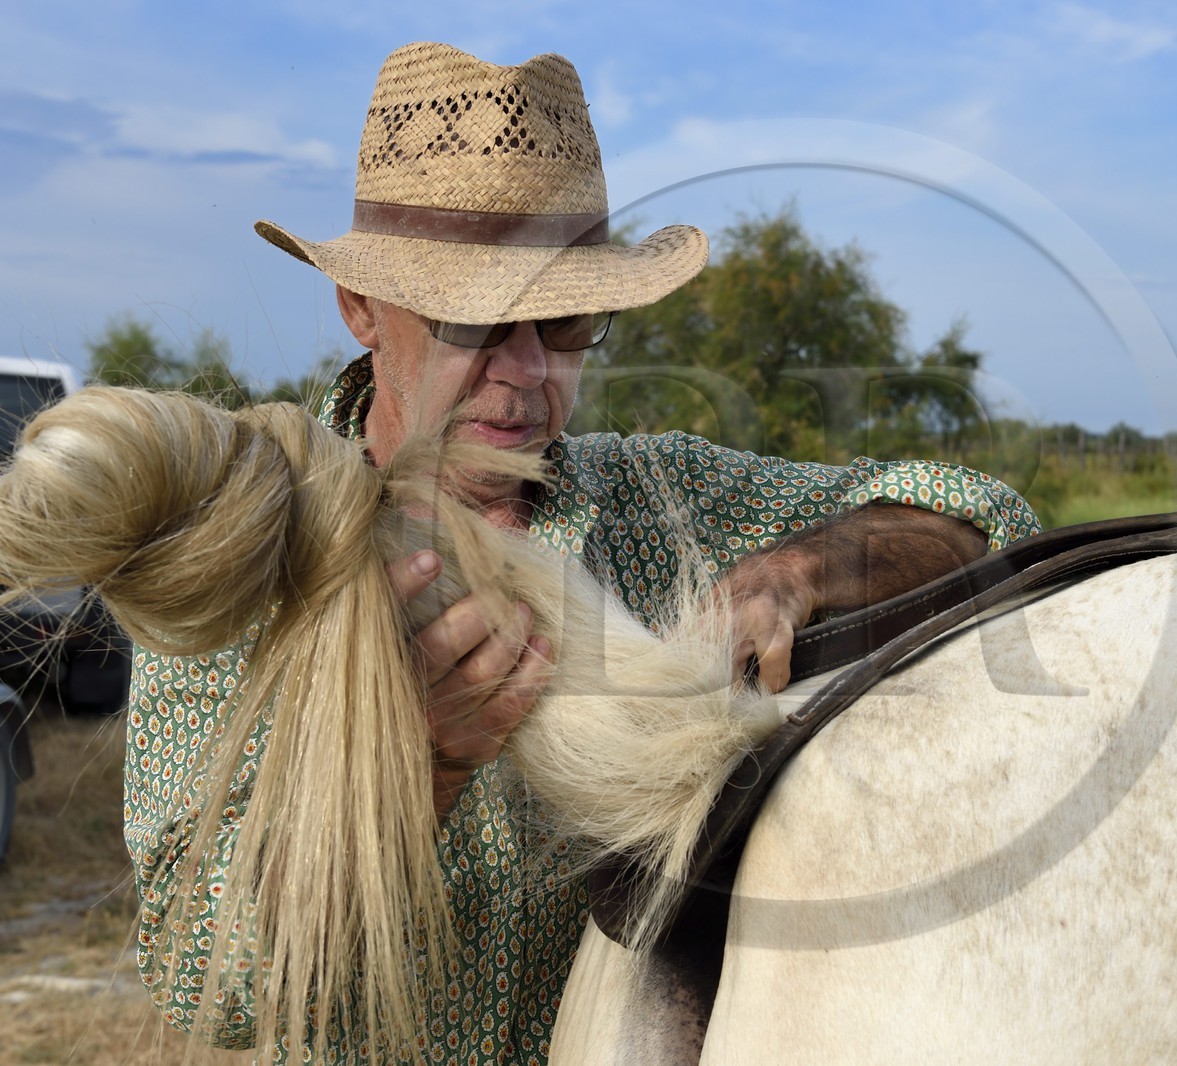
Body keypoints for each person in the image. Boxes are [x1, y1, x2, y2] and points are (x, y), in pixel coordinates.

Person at [123, 41, 1041, 1063]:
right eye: (478, 320)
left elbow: (973, 509)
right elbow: (206, 970)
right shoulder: (238, 561)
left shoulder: (663, 498)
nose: (527, 373)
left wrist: (803, 570)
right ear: (361, 310)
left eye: (564, 323)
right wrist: (417, 767)